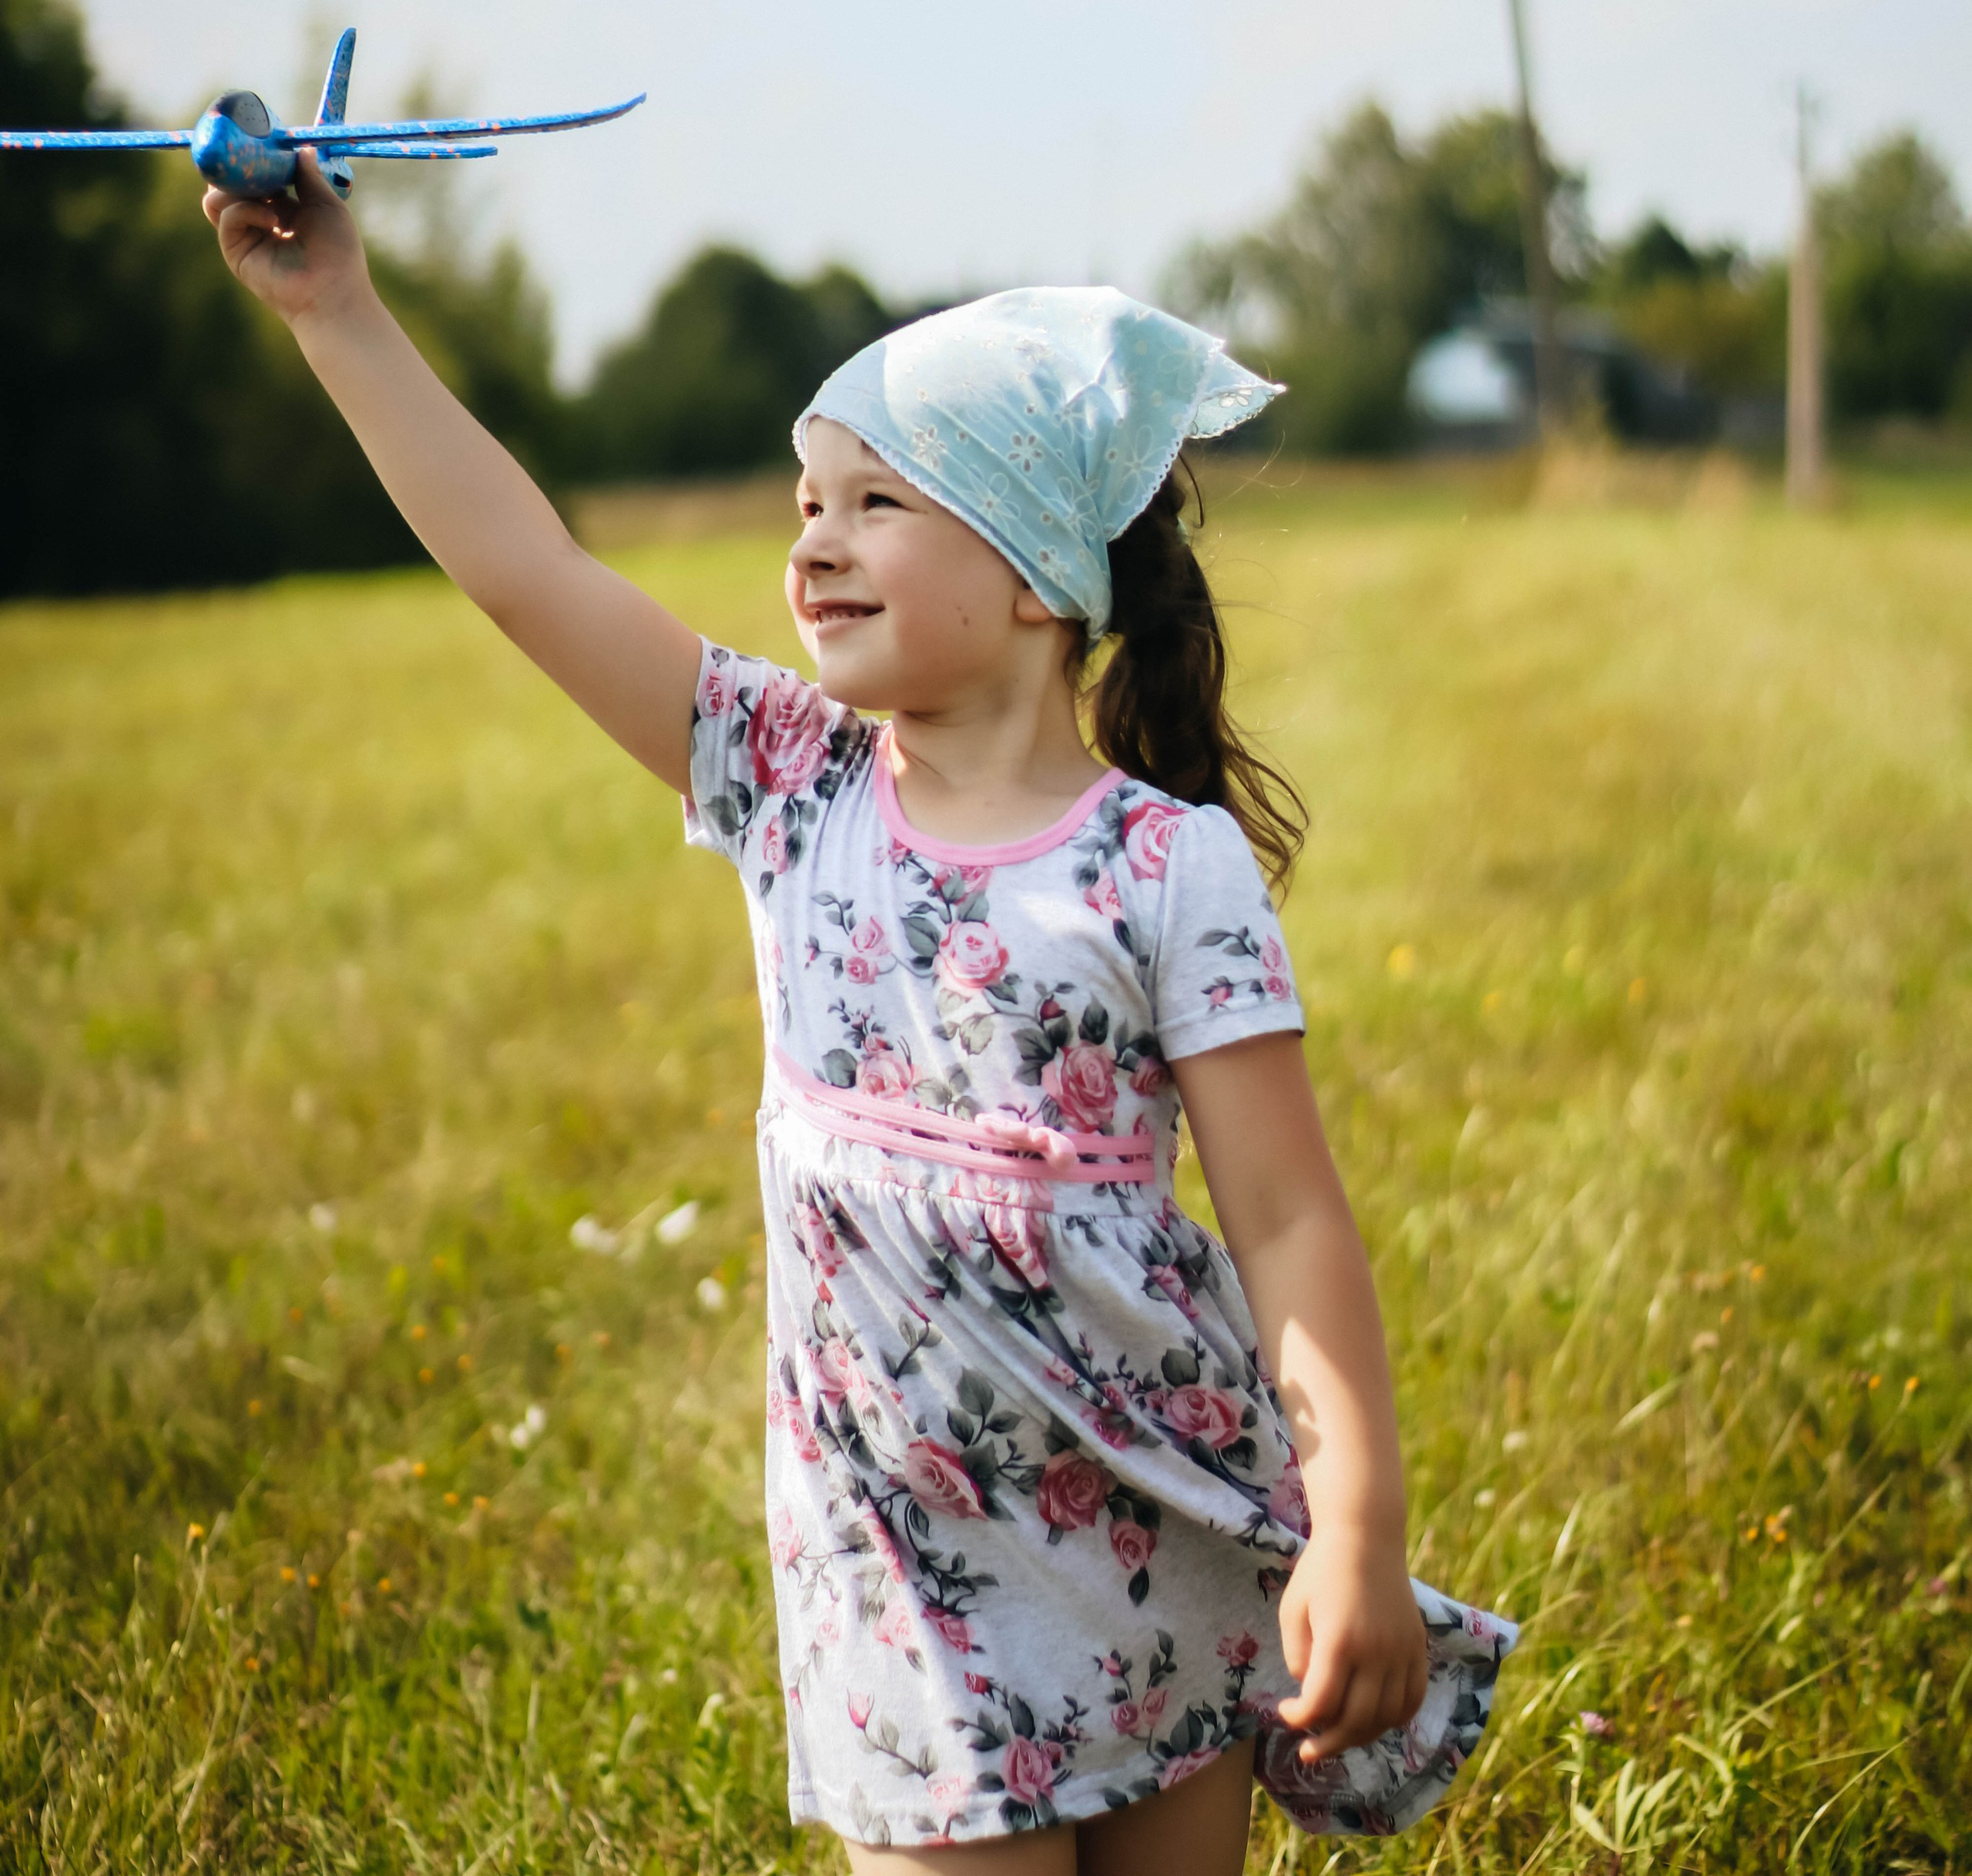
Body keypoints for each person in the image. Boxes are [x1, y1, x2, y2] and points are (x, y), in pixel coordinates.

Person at [205, 155, 1514, 1872]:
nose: (812, 539)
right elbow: (524, 568)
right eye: (804, 500)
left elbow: (1282, 1217)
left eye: (876, 500)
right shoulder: (785, 778)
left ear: (1040, 569)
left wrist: (1353, 1521)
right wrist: (338, 312)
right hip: (909, 1579)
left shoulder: (1162, 864)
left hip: (1159, 1538)